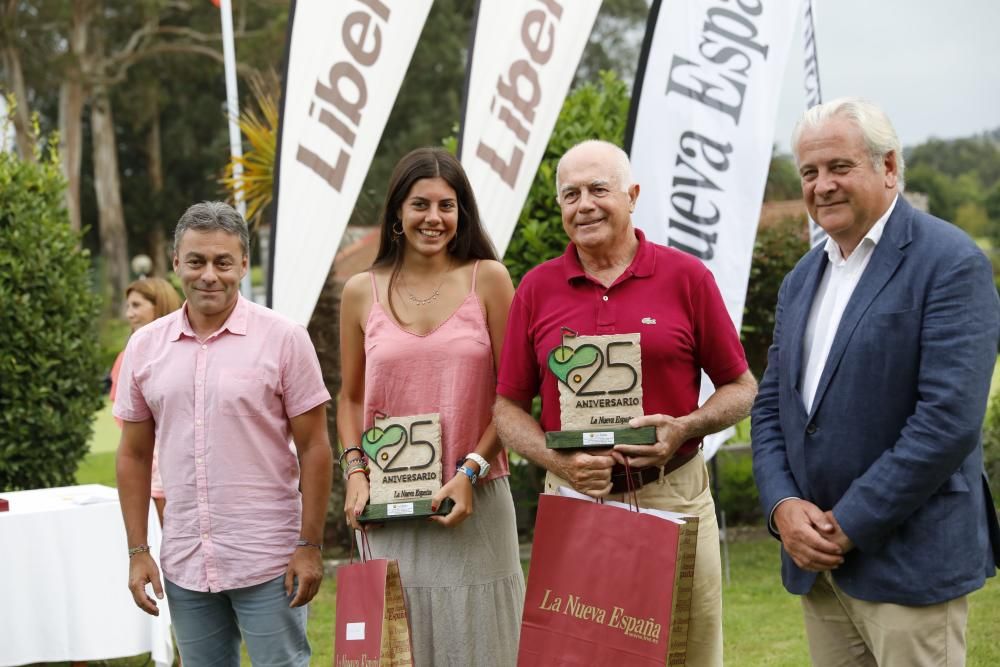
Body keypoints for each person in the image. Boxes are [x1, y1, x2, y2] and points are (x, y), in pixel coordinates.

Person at [751, 97, 1000, 666]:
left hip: (910, 560)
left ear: (889, 167)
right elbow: (772, 407)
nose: (822, 186)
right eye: (809, 172)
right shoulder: (801, 279)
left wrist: (851, 522)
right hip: (819, 565)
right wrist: (784, 505)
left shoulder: (950, 262)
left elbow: (947, 422)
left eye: (840, 167)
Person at [494, 139, 758, 666]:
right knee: (578, 656)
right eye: (571, 195)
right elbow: (506, 408)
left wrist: (685, 428)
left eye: (598, 189)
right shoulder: (536, 289)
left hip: (672, 495)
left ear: (632, 195)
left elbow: (742, 387)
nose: (584, 204)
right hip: (574, 500)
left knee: (687, 653)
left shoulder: (687, 278)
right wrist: (555, 460)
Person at [115, 201, 333, 666]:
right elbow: (133, 455)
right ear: (176, 263)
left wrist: (310, 546)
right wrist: (138, 551)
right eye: (196, 261)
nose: (209, 275)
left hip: (270, 561)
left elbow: (316, 448)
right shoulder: (145, 347)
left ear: (244, 265)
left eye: (222, 262)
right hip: (186, 562)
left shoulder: (285, 338)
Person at [338, 147, 525, 665]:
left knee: (483, 645)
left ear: (461, 213)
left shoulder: (487, 278)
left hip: (475, 500)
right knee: (402, 648)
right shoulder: (360, 292)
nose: (434, 218)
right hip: (390, 507)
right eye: (420, 204)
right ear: (398, 211)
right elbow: (350, 397)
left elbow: (511, 393)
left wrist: (471, 468)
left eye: (447, 205)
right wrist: (355, 472)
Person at [109, 277, 182, 523]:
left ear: (158, 305)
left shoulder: (187, 351)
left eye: (137, 306)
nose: (130, 314)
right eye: (128, 307)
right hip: (150, 464)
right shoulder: (127, 357)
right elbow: (127, 424)